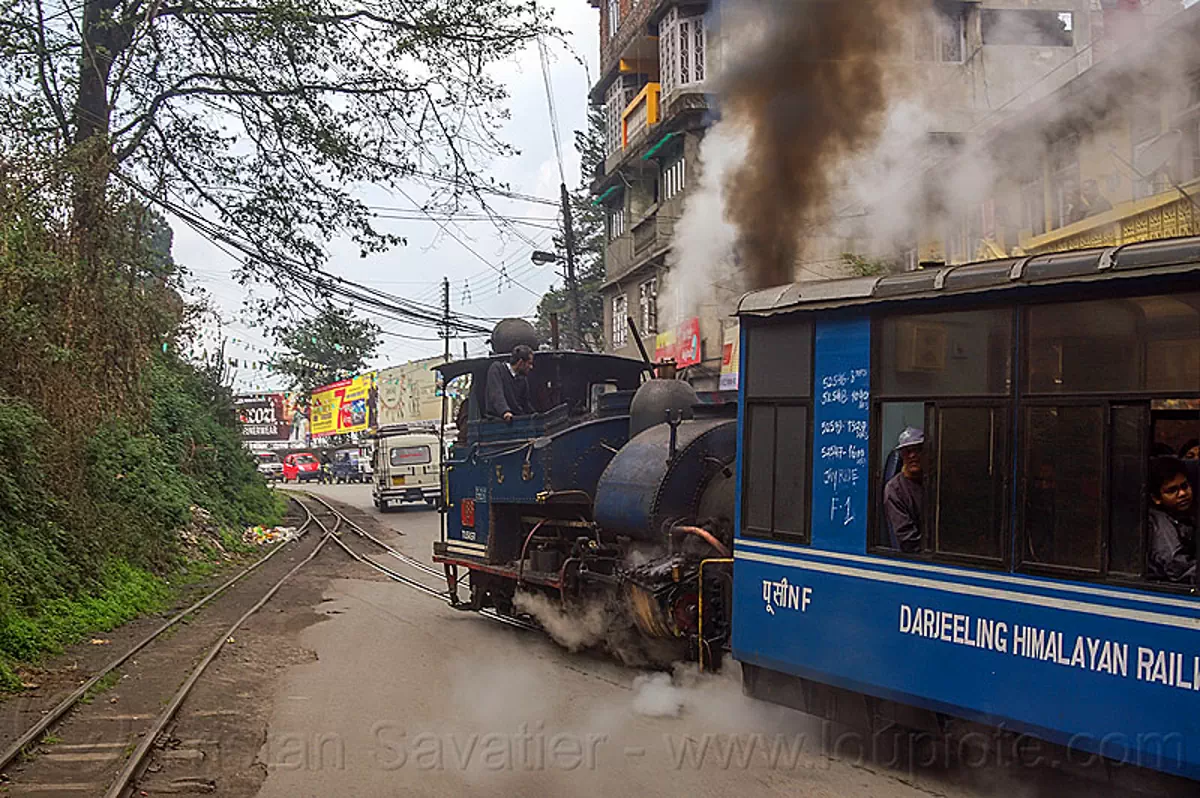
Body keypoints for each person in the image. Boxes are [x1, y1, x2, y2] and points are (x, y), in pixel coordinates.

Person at [1146, 456, 1196, 583]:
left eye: (1185, 486)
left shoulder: (1186, 516)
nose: (1183, 494)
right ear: (1156, 498)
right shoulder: (1159, 522)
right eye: (1172, 490)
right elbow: (1177, 567)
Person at [884, 427, 924, 554]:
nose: (912, 455)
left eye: (917, 450)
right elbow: (908, 541)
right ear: (901, 456)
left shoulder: (936, 481)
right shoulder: (895, 490)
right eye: (907, 451)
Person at [485, 344, 534, 423]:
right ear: (521, 362)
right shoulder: (497, 369)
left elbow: (525, 403)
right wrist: (505, 412)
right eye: (529, 363)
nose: (531, 367)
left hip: (516, 420)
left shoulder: (522, 379)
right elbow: (496, 394)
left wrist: (535, 415)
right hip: (497, 421)